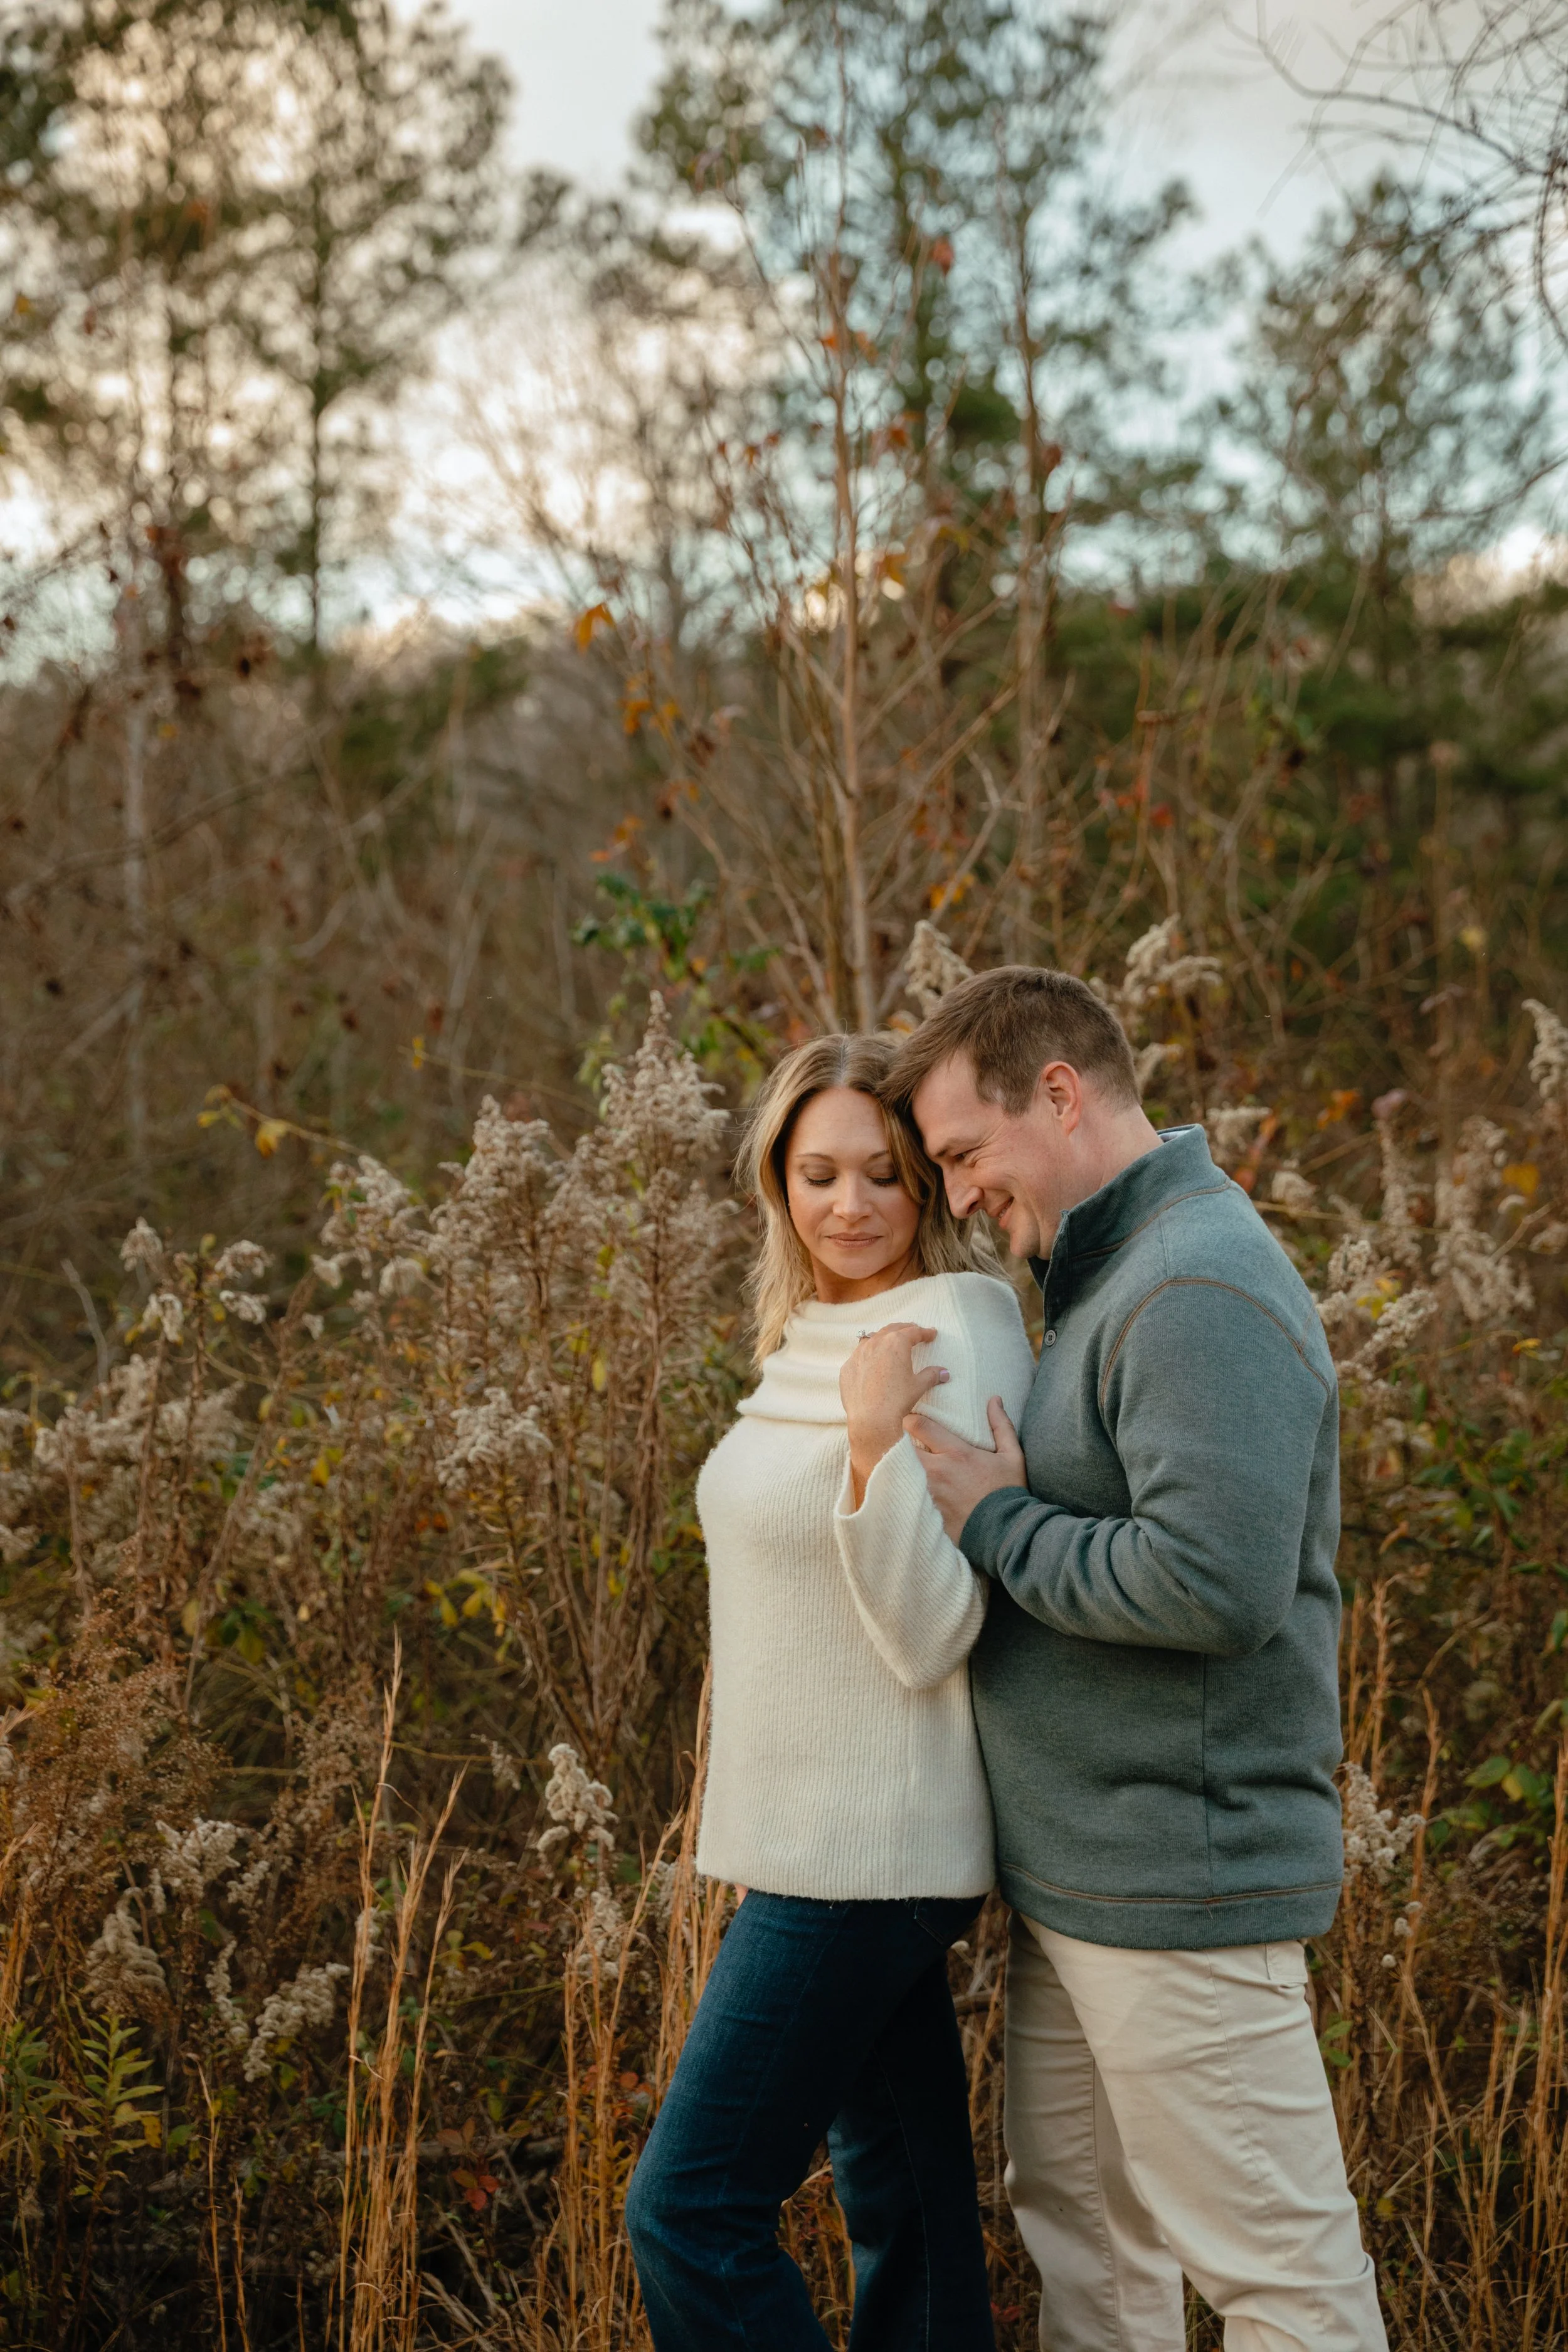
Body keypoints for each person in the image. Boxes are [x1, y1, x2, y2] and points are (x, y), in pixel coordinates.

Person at [876, 965, 1387, 2352]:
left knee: (1281, 2282)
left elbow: (1210, 1585)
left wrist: (994, 1520)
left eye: (966, 1154)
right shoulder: (1111, 1282)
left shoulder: (1193, 1287)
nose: (963, 1195)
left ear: (1058, 1095)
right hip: (1087, 1884)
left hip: (1182, 1884)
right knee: (1093, 2264)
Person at [625, 1032, 1034, 2352]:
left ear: (924, 1185)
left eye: (880, 1175)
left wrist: (869, 1455)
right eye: (815, 1174)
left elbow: (935, 1632)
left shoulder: (953, 1327)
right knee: (905, 2209)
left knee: (687, 2209)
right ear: (775, 1185)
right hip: (801, 1843)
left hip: (862, 1856)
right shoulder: (804, 1331)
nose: (847, 1206)